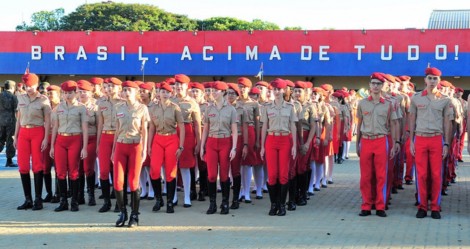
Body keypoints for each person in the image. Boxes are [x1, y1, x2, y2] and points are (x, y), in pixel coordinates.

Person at [409, 67, 453, 219]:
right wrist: (411, 142)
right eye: (430, 78)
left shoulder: (445, 99)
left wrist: (446, 143)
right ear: (425, 80)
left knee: (436, 175)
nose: (432, 81)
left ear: (439, 81)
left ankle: (435, 207)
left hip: (436, 139)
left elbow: (448, 123)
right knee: (421, 175)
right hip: (420, 138)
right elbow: (412, 121)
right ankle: (422, 206)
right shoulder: (416, 98)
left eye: (435, 79)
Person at [356, 72, 400, 218]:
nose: (375, 86)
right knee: (366, 176)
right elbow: (359, 124)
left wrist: (394, 144)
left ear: (382, 86)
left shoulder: (388, 104)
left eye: (378, 84)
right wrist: (357, 143)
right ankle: (366, 205)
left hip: (381, 140)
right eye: (373, 83)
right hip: (366, 140)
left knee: (382, 175)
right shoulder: (362, 103)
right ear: (369, 85)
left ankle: (380, 206)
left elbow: (393, 124)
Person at [112, 80, 149, 227]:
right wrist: (114, 149)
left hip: (135, 145)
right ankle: (123, 212)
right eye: (124, 90)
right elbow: (117, 129)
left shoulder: (142, 108)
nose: (125, 93)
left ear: (135, 92)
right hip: (121, 145)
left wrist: (145, 149)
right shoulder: (118, 107)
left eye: (129, 90)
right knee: (118, 182)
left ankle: (134, 215)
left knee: (133, 182)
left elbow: (144, 130)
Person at [260, 79, 298, 216]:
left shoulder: (290, 107)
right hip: (271, 139)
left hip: (285, 139)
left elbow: (293, 125)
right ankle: (273, 204)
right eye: (274, 89)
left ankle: (282, 205)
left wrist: (294, 144)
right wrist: (262, 146)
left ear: (284, 91)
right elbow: (264, 126)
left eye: (279, 89)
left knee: (283, 174)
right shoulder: (267, 107)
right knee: (272, 175)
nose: (276, 92)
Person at [13, 73, 51, 210]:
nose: (28, 88)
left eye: (31, 86)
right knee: (22, 166)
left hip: (37, 132)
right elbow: (18, 119)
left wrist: (46, 138)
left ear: (36, 85)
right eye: (26, 86)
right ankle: (27, 199)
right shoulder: (21, 98)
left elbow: (47, 121)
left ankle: (38, 199)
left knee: (37, 165)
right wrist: (15, 136)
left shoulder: (43, 100)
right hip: (23, 132)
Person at [50, 80, 89, 212]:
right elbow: (55, 127)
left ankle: (74, 201)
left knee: (73, 171)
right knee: (60, 171)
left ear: (76, 93)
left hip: (75, 139)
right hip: (60, 140)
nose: (68, 96)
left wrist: (84, 147)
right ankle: (63, 201)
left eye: (70, 93)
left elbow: (85, 128)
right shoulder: (58, 108)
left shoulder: (81, 108)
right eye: (65, 93)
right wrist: (52, 146)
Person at [200, 81, 238, 215]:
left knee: (223, 174)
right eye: (212, 91)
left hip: (225, 141)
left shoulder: (231, 109)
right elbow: (205, 129)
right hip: (211, 141)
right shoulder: (208, 108)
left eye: (216, 91)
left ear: (223, 92)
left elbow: (234, 130)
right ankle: (212, 204)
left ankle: (225, 203)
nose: (213, 93)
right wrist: (202, 146)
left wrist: (234, 148)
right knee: (211, 175)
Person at [148, 82, 185, 213]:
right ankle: (159, 199)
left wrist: (181, 146)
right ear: (158, 93)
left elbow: (181, 126)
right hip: (158, 139)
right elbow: (151, 128)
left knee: (170, 172)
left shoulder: (175, 108)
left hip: (171, 138)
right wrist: (149, 145)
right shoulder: (153, 108)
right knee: (154, 170)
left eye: (167, 92)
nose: (164, 94)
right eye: (162, 91)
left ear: (171, 94)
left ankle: (170, 201)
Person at [173, 74, 202, 207]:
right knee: (171, 165)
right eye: (176, 84)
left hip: (187, 133)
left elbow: (197, 124)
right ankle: (172, 196)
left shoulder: (192, 102)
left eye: (181, 85)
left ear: (186, 87)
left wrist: (199, 142)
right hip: (172, 132)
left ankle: (187, 196)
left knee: (185, 166)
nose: (178, 87)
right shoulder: (170, 100)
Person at [96, 77, 123, 213]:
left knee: (118, 170)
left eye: (112, 86)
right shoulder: (101, 103)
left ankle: (120, 202)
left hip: (119, 136)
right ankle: (106, 202)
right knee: (104, 170)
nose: (109, 89)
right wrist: (98, 143)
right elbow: (100, 123)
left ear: (119, 88)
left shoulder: (124, 103)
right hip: (106, 136)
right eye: (107, 86)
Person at [77, 80, 99, 206]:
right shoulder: (74, 105)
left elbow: (98, 125)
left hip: (91, 138)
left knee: (88, 167)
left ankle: (91, 194)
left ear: (90, 93)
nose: (82, 94)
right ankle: (80, 194)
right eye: (80, 92)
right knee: (78, 167)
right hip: (77, 138)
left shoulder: (96, 107)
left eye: (84, 92)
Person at [43, 85, 61, 203]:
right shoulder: (45, 106)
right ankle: (49, 192)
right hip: (46, 138)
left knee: (59, 168)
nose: (49, 96)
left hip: (58, 138)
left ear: (58, 94)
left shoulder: (62, 107)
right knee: (45, 167)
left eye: (52, 93)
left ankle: (58, 193)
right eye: (48, 93)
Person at [0, 80, 18, 167]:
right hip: (10, 121)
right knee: (10, 140)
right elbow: (17, 109)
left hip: (0, 120)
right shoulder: (13, 97)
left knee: (0, 140)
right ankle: (9, 160)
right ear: (12, 87)